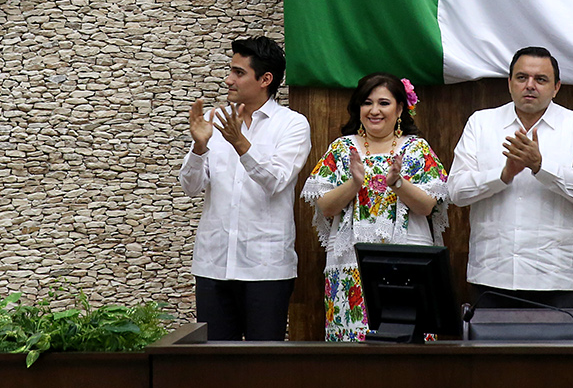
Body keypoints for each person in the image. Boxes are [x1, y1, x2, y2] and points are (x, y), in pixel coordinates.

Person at [447, 46, 573, 309]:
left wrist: (541, 166)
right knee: (492, 351)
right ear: (509, 83)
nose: (530, 85)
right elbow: (457, 192)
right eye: (521, 78)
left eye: (540, 79)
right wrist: (503, 175)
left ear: (556, 87)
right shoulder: (481, 123)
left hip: (555, 276)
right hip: (491, 274)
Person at [178, 35, 311, 340]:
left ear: (266, 79)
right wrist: (199, 148)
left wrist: (240, 144)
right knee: (214, 367)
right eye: (230, 70)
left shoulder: (292, 124)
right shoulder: (214, 119)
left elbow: (276, 181)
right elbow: (190, 186)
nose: (228, 80)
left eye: (238, 73)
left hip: (266, 267)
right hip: (214, 264)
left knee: (264, 368)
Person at [302, 74, 448, 341]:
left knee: (406, 349)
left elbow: (427, 206)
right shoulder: (342, 148)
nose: (375, 110)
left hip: (407, 266)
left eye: (384, 103)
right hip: (350, 267)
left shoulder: (416, 149)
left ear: (400, 108)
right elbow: (325, 207)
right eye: (367, 103)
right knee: (353, 361)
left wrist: (398, 183)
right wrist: (354, 183)